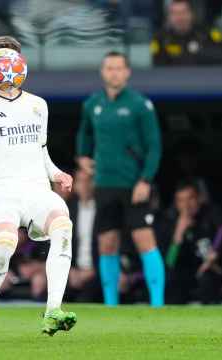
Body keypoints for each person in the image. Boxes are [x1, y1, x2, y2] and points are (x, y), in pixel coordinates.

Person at [0, 36, 76, 342]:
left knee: (62, 224)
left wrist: (57, 173)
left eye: (11, 56)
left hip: (35, 189)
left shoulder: (37, 105)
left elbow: (40, 151)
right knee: (5, 244)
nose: (6, 62)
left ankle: (53, 310)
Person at [76, 51, 164, 307]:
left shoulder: (140, 105)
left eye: (119, 68)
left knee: (144, 241)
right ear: (103, 72)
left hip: (133, 184)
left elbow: (154, 146)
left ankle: (158, 303)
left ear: (127, 72)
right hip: (104, 184)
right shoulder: (92, 104)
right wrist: (82, 157)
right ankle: (111, 304)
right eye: (109, 68)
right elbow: (84, 134)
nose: (114, 73)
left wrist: (145, 180)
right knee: (107, 243)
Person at [159, 178, 222, 304]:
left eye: (190, 198)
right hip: (185, 274)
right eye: (181, 200)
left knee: (207, 277)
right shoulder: (170, 222)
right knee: (170, 280)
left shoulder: (211, 214)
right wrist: (178, 234)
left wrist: (214, 254)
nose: (186, 205)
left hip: (210, 269)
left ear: (199, 198)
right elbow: (169, 263)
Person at [150, 0, 222, 66]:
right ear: (168, 17)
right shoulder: (161, 38)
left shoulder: (207, 34)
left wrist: (199, 52)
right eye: (175, 13)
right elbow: (157, 67)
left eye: (183, 12)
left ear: (191, 14)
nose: (180, 17)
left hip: (205, 80)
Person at [66, 169, 98, 302]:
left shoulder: (102, 210)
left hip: (96, 272)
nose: (84, 185)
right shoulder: (68, 210)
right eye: (80, 181)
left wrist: (93, 271)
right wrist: (71, 270)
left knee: (85, 300)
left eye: (88, 181)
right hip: (73, 271)